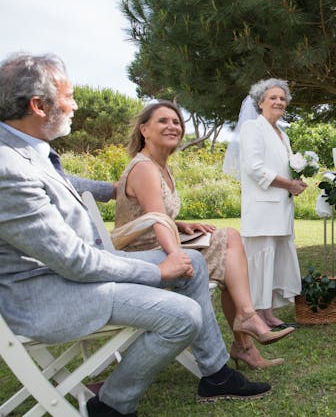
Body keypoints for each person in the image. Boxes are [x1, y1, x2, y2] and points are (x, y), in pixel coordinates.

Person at [0, 53, 270, 417]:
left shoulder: (27, 150)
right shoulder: (8, 167)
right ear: (38, 105)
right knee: (182, 315)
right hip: (48, 294)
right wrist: (158, 271)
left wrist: (114, 188)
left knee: (189, 259)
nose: (75, 105)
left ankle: (216, 374)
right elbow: (72, 260)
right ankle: (113, 405)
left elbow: (65, 184)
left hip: (72, 276)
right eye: (68, 96)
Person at [113, 101, 293, 370]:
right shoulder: (145, 168)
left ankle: (246, 333)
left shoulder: (161, 166)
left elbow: (154, 214)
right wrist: (176, 256)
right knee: (230, 245)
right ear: (144, 130)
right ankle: (246, 331)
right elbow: (158, 220)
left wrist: (182, 224)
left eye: (176, 122)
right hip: (144, 257)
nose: (172, 126)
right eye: (163, 121)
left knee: (230, 250)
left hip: (157, 241)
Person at [239, 78, 307, 328]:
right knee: (259, 262)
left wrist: (295, 182)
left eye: (282, 98)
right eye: (273, 98)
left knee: (273, 261)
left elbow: (282, 167)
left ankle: (267, 313)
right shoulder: (251, 128)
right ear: (260, 103)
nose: (279, 101)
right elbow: (255, 168)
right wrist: (288, 184)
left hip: (281, 208)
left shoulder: (283, 135)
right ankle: (254, 314)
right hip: (261, 209)